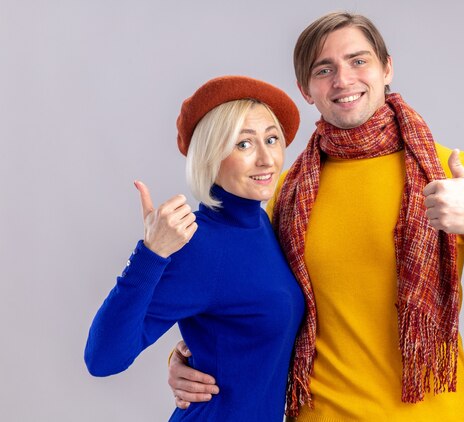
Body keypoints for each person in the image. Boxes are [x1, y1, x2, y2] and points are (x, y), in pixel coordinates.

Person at [167, 12, 464, 421]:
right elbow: (245, 299)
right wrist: (193, 356)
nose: (343, 80)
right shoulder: (288, 191)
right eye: (324, 69)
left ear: (387, 68)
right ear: (306, 90)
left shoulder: (444, 173)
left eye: (358, 61)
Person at [84, 76, 305, 421]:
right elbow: (103, 358)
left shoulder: (268, 223)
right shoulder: (197, 245)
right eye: (243, 145)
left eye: (272, 139)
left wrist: (184, 354)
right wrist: (150, 254)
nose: (266, 159)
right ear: (209, 155)